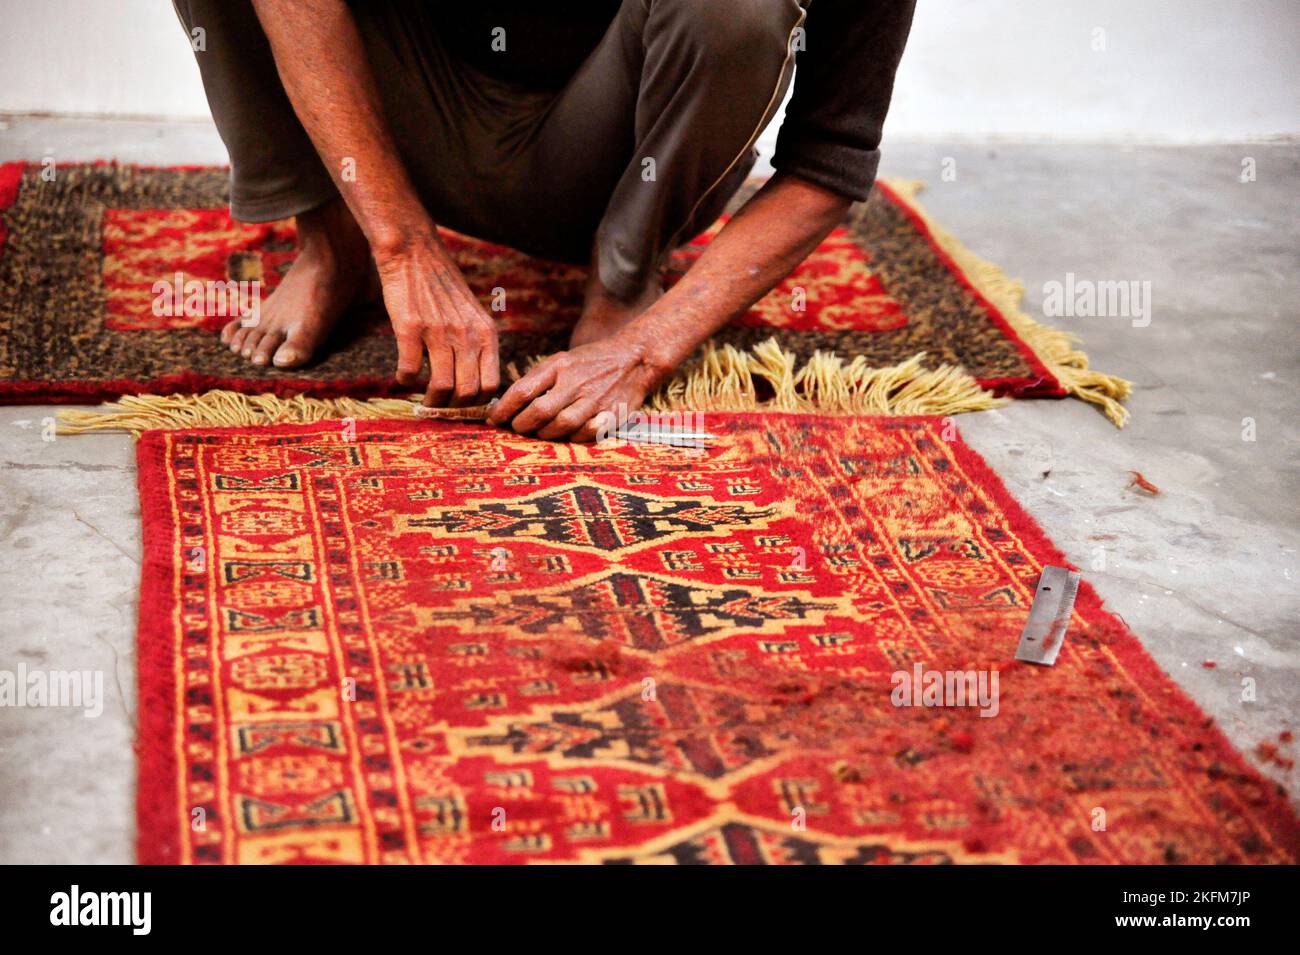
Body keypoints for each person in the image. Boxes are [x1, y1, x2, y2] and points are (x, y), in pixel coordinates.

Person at [173, 0, 916, 439]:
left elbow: (829, 160)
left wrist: (649, 350)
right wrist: (400, 245)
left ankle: (621, 285)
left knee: (736, 7)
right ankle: (333, 247)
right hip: (409, 126)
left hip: (619, 159)